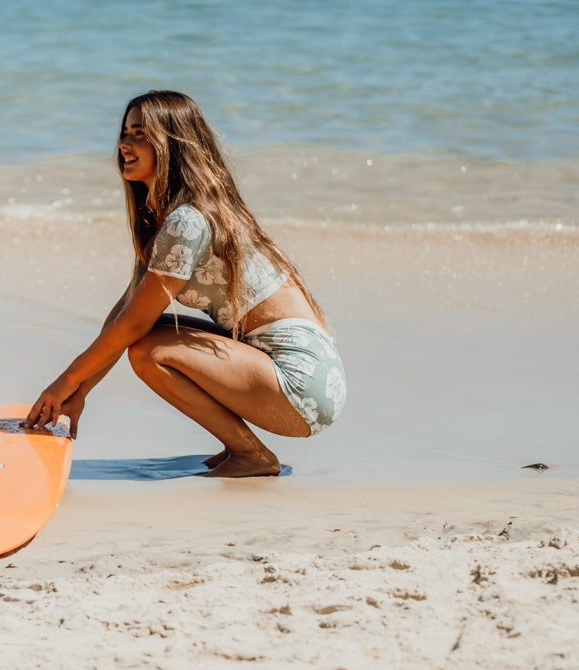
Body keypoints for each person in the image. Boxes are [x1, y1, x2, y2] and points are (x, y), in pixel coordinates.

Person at [24, 90, 346, 477]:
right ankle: (243, 450)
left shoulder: (188, 222)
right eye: (125, 132)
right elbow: (125, 317)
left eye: (140, 134)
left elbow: (133, 327)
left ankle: (252, 456)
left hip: (300, 384)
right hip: (282, 369)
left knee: (150, 351)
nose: (125, 143)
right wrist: (81, 391)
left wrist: (65, 382)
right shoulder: (171, 219)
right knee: (147, 340)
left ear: (172, 144)